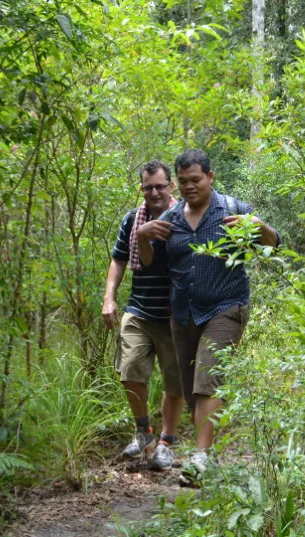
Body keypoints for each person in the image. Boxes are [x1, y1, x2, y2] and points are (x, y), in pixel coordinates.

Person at [137, 149, 280, 485]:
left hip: (226, 306)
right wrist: (143, 236)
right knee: (191, 389)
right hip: (183, 313)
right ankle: (207, 451)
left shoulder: (234, 209)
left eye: (196, 180)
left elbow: (274, 245)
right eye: (183, 181)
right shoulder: (171, 218)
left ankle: (200, 460)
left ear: (211, 177)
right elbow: (150, 264)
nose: (190, 186)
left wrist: (259, 227)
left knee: (207, 380)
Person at [102, 160, 185, 471]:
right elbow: (119, 260)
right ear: (141, 188)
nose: (154, 192)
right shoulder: (131, 221)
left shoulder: (185, 218)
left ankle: (166, 442)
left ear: (171, 186)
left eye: (160, 186)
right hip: (139, 309)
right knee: (130, 372)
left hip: (176, 315)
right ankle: (143, 433)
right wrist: (109, 298)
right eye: (148, 187)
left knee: (174, 383)